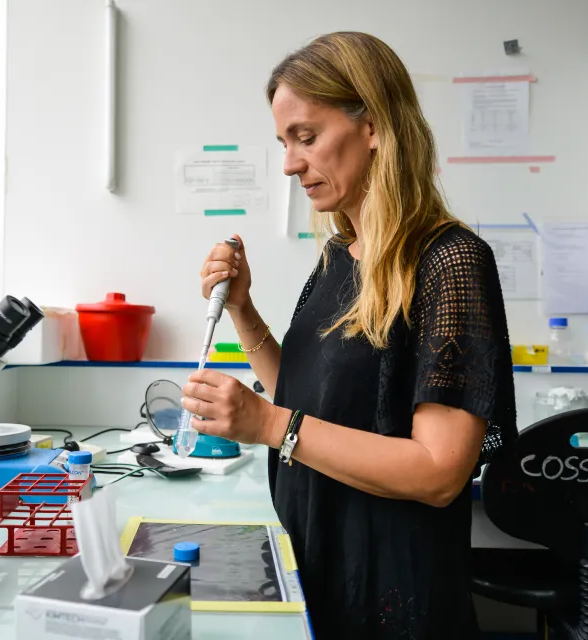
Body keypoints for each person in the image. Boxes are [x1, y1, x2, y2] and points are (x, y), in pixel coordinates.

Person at [182, 32, 517, 639]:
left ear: (373, 126)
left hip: (392, 592)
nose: (290, 164)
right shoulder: (340, 256)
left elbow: (439, 472)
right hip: (318, 560)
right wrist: (244, 311)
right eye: (285, 143)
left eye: (306, 137)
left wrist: (268, 425)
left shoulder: (450, 260)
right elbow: (307, 399)